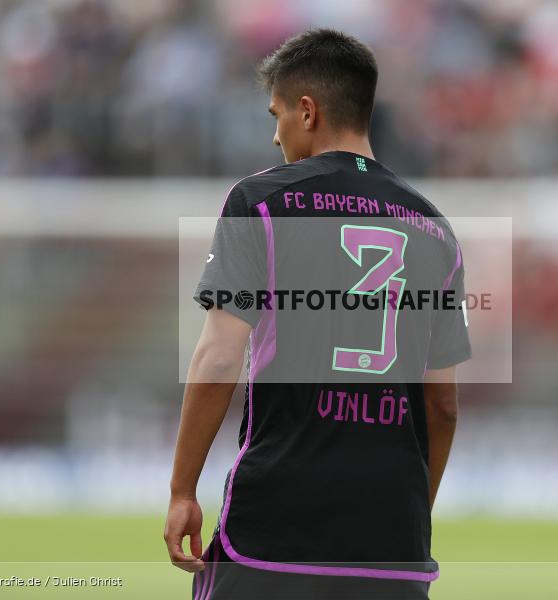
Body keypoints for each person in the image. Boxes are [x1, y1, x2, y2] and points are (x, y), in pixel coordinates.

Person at [165, 28, 471, 600]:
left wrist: (183, 490)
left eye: (277, 114)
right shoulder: (436, 230)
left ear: (307, 111)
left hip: (273, 529)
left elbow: (219, 354)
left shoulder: (259, 202)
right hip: (393, 545)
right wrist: (405, 513)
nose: (275, 134)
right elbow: (444, 405)